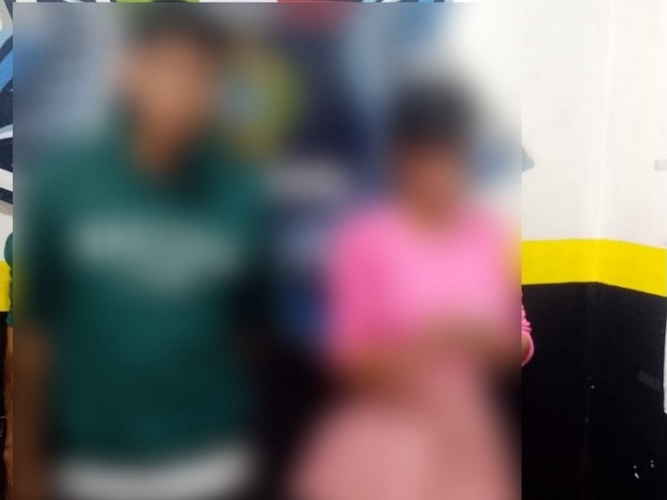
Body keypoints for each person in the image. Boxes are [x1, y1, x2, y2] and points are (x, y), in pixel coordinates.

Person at [18, 9, 270, 500]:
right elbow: (36, 338)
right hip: (92, 469)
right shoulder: (65, 186)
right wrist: (28, 466)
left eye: (203, 75)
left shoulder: (240, 195)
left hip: (212, 467)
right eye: (168, 68)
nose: (184, 90)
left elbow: (250, 333)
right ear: (129, 73)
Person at [291, 81, 533, 500]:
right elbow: (346, 357)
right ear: (398, 160)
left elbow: (520, 340)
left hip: (465, 434)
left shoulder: (485, 237)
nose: (439, 174)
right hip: (383, 432)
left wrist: (488, 341)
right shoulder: (366, 239)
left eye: (451, 158)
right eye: (426, 158)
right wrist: (427, 344)